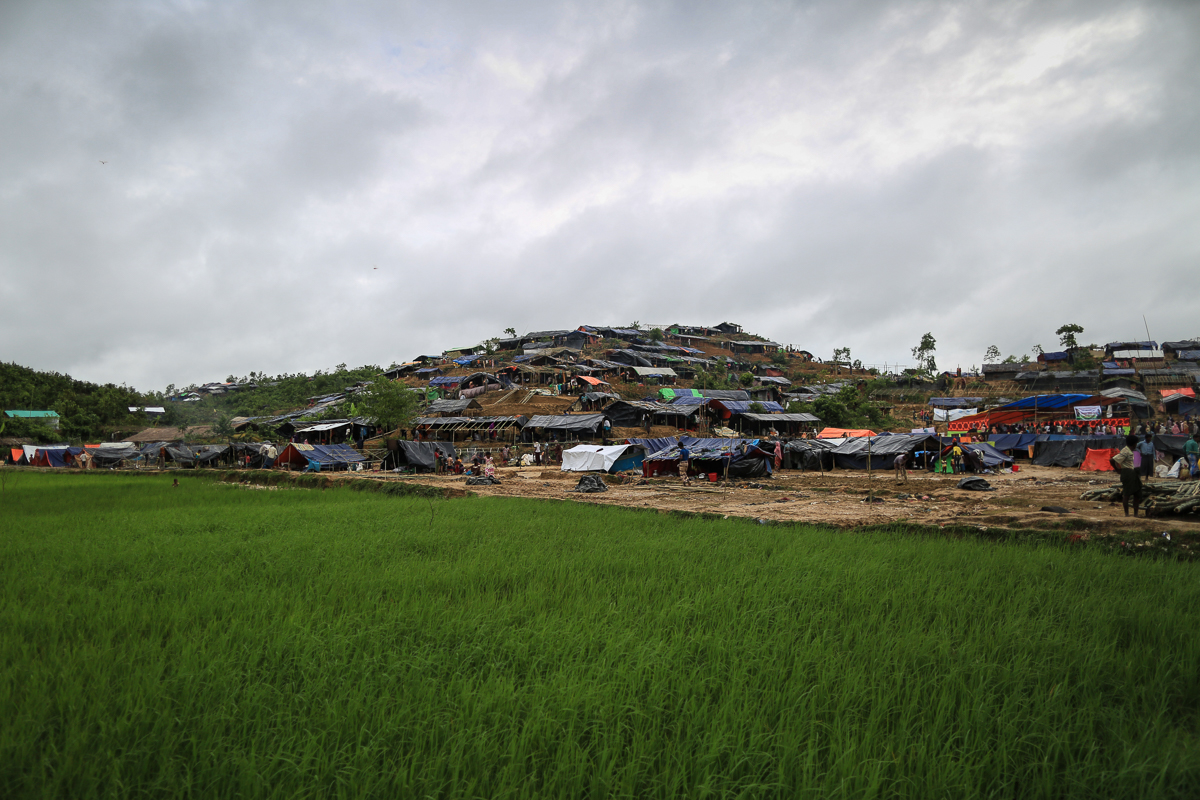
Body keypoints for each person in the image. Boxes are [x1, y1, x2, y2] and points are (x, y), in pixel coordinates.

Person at [1111, 435, 1142, 516]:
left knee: (1137, 493)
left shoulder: (1129, 451)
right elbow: (1112, 460)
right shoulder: (1126, 451)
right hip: (1128, 473)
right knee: (1127, 494)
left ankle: (1135, 514)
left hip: (1132, 472)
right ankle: (1127, 514)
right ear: (1134, 443)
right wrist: (1117, 469)